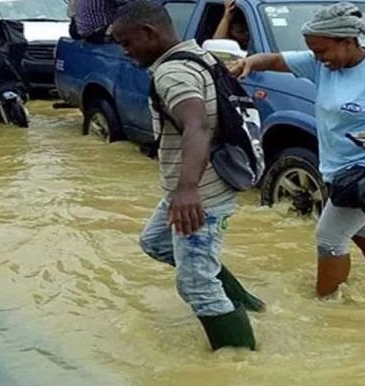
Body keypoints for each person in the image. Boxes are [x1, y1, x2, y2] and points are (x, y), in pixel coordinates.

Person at [228, 2, 365, 298]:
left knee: (329, 237)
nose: (319, 58)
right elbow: (275, 60)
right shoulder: (321, 64)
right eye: (314, 51)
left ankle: (326, 307)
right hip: (341, 167)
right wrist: (249, 63)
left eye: (323, 51)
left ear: (349, 41)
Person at [110, 0, 264, 351]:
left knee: (195, 284)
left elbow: (198, 124)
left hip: (202, 190)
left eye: (127, 43)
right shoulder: (199, 54)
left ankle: (240, 363)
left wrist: (187, 190)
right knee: (156, 242)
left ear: (149, 33)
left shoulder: (172, 73)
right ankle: (246, 304)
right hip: (209, 179)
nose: (126, 52)